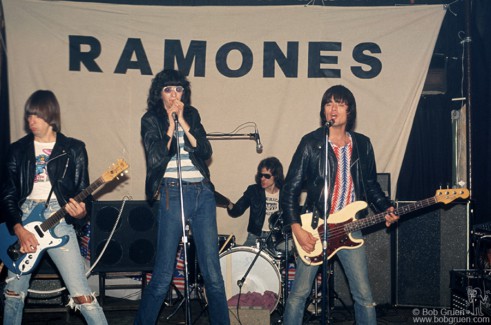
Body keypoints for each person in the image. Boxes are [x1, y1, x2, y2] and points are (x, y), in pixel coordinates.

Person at [281, 85, 399, 325]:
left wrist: (386, 207)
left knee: (364, 297)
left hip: (350, 227)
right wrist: (296, 228)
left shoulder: (363, 144)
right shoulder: (311, 143)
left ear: (350, 111)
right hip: (315, 227)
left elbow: (370, 184)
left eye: (339, 103)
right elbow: (290, 189)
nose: (332, 109)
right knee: (299, 296)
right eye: (328, 103)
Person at [1, 90, 107, 325]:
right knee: (13, 295)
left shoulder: (74, 149)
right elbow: (7, 194)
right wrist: (18, 229)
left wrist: (81, 213)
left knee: (83, 296)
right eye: (29, 116)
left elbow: (83, 195)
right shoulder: (17, 150)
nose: (31, 121)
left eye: (37, 115)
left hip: (58, 220)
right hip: (24, 217)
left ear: (51, 115)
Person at [135, 69, 230, 325]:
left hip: (202, 193)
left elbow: (205, 150)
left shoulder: (192, 114)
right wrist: (169, 123)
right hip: (172, 192)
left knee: (212, 273)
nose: (174, 94)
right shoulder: (150, 119)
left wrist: (184, 122)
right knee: (164, 274)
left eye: (178, 89)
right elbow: (156, 158)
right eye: (168, 89)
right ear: (159, 93)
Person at [226, 157, 284, 247]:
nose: (262, 179)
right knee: (243, 259)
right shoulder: (253, 191)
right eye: (261, 175)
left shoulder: (285, 193)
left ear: (276, 176)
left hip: (277, 238)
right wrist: (227, 203)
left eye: (267, 176)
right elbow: (237, 210)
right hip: (255, 236)